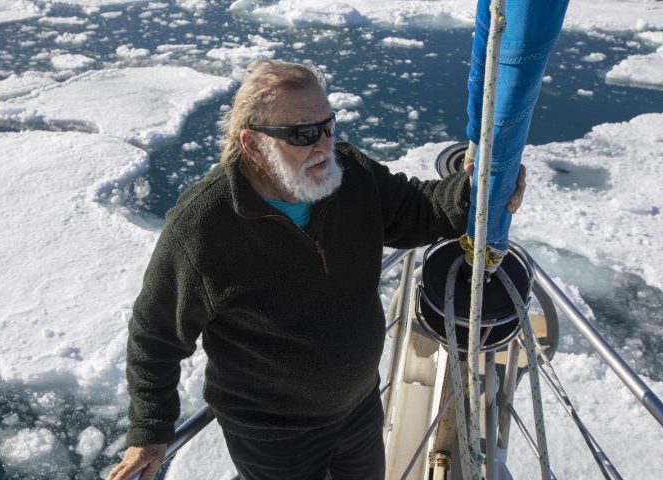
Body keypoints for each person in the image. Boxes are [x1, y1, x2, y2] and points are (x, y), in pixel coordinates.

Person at [106, 59, 525, 480]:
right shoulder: (204, 227)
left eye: (329, 126)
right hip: (273, 436)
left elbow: (417, 210)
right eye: (304, 134)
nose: (324, 146)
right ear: (252, 144)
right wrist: (150, 431)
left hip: (358, 407)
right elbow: (155, 335)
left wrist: (479, 191)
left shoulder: (350, 174)